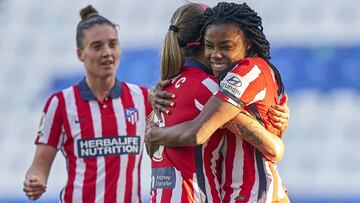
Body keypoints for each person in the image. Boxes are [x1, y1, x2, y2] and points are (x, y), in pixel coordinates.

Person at [146, 2, 290, 203]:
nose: (216, 54)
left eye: (225, 46)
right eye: (211, 45)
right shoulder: (208, 87)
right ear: (202, 41)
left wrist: (153, 134)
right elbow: (274, 149)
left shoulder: (168, 87)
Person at [23, 5, 151, 202]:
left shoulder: (142, 98)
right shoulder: (61, 103)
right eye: (97, 46)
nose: (107, 52)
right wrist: (34, 180)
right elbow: (39, 165)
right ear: (80, 54)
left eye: (112, 44)